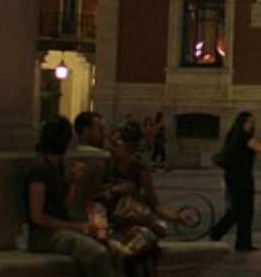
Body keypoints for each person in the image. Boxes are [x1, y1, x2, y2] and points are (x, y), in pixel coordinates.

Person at [22, 116, 116, 277]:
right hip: (43, 235)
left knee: (114, 249)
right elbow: (37, 217)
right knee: (97, 253)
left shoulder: (57, 166)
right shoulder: (39, 169)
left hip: (61, 229)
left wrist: (73, 181)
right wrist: (76, 227)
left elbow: (64, 206)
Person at [100, 122, 195, 276]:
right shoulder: (104, 167)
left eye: (116, 144)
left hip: (133, 221)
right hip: (109, 223)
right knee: (138, 245)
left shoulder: (139, 170)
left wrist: (177, 216)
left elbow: (155, 204)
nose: (111, 148)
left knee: (145, 243)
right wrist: (114, 189)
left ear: (130, 148)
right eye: (110, 143)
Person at [207, 111, 261, 251]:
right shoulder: (246, 139)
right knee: (243, 209)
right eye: (248, 122)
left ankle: (239, 241)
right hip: (242, 177)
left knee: (240, 209)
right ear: (242, 123)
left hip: (233, 176)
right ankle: (221, 234)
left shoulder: (233, 136)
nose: (251, 125)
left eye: (252, 122)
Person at [71, 111, 110, 224]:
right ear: (86, 131)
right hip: (87, 216)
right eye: (99, 130)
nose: (103, 134)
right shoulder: (99, 158)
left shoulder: (70, 153)